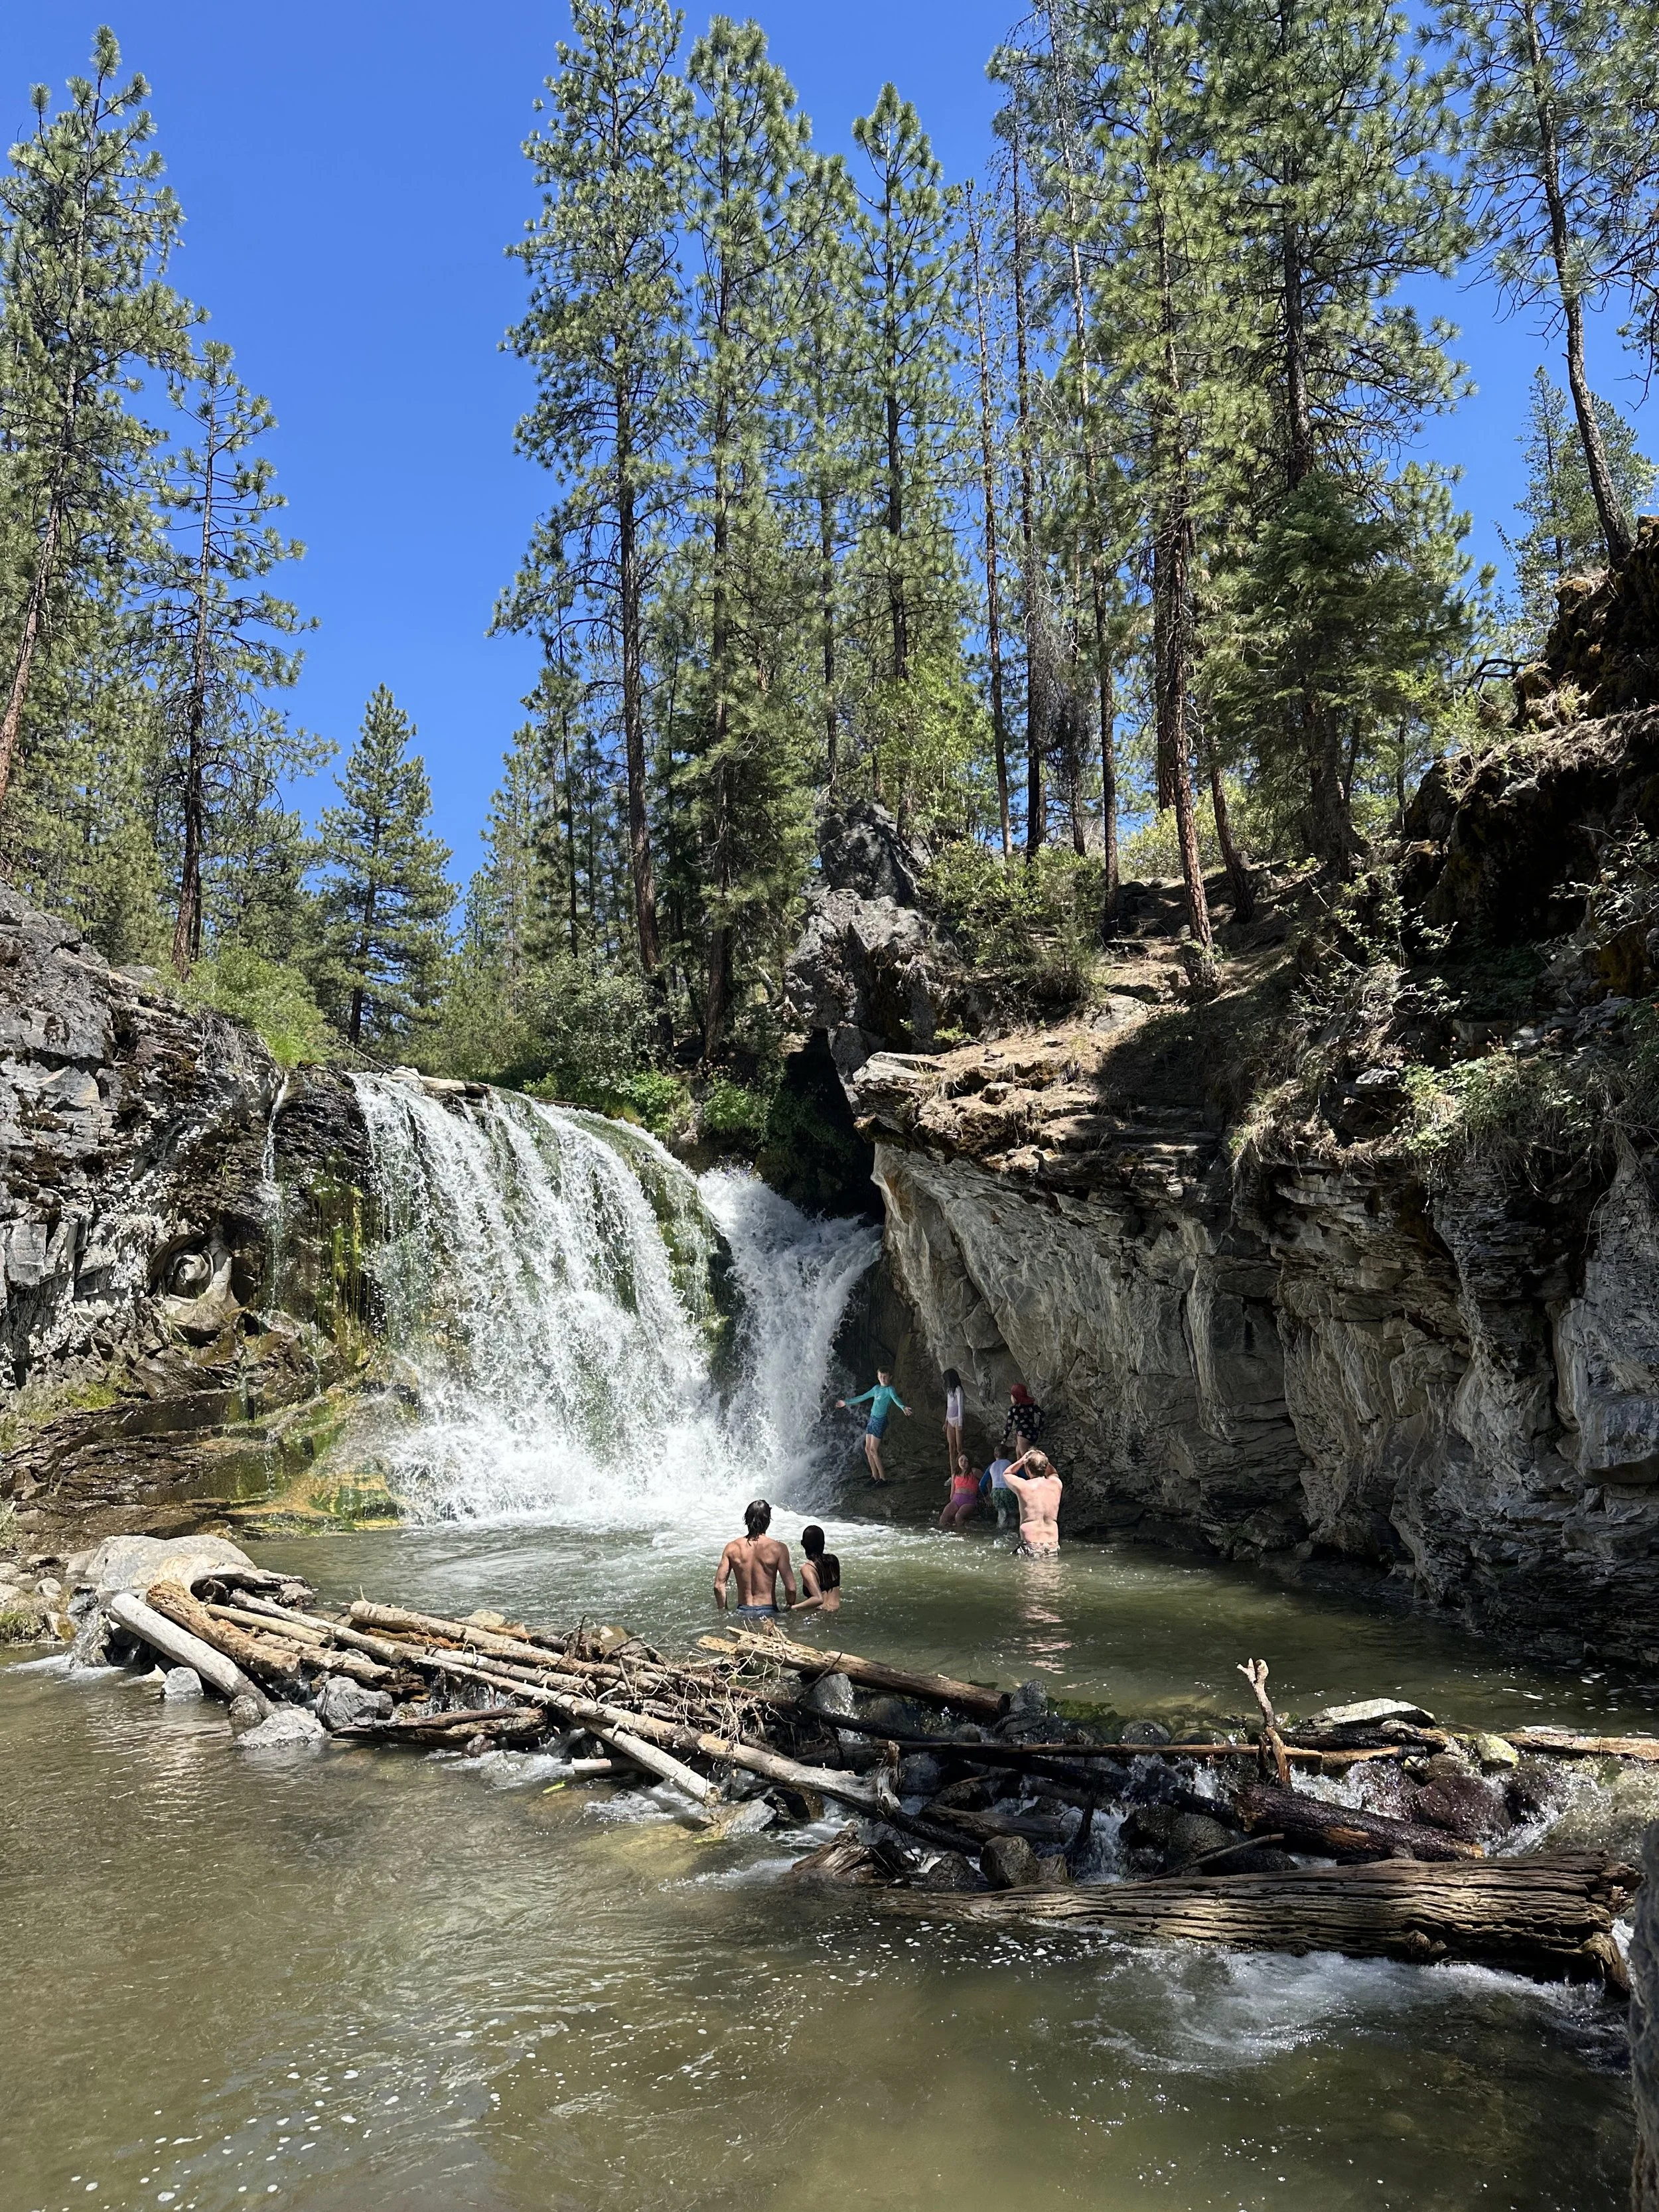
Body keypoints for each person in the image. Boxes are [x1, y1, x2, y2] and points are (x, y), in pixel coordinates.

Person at [713, 1499, 797, 1615]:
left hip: (742, 1610)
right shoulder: (779, 1548)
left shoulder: (732, 1548)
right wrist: (789, 1607)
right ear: (768, 1520)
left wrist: (724, 1611)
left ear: (747, 1520)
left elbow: (719, 1586)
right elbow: (791, 1588)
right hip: (769, 1611)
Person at [837, 1368, 910, 1483]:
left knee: (873, 1450)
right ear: (878, 1376)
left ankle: (883, 1479)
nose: (883, 1379)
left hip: (880, 1421)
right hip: (872, 1419)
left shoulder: (890, 1390)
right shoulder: (876, 1389)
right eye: (881, 1376)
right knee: (867, 1449)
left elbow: (896, 1399)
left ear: (890, 1377)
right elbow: (862, 1397)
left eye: (885, 1376)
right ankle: (874, 1476)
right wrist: (846, 1402)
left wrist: (903, 1407)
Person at [1002, 1447, 1063, 1555]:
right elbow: (1053, 1473)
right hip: (1052, 1544)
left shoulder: (1023, 1486)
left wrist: (1022, 1460)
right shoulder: (1056, 1485)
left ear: (1027, 1469)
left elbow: (1007, 1474)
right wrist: (1044, 1460)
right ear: (1045, 1467)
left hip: (1031, 1544)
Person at [793, 1524, 842, 1613]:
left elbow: (818, 1599)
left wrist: (792, 1608)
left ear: (804, 1545)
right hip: (836, 1613)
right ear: (823, 1543)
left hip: (820, 1614)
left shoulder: (808, 1568)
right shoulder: (834, 1561)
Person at [939, 1449, 982, 1531]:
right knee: (944, 1517)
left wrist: (987, 1495)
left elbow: (986, 1481)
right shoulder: (955, 1475)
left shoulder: (974, 1472)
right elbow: (952, 1493)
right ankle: (944, 1534)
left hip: (969, 1501)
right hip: (956, 1501)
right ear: (958, 1461)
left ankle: (961, 1534)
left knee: (959, 1516)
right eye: (961, 1460)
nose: (963, 1463)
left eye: (966, 1461)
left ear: (970, 1462)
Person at [1001, 1382, 1045, 1456]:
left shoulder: (1013, 1410)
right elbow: (1042, 1415)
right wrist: (1039, 1429)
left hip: (1023, 1434)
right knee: (1018, 1450)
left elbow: (1008, 1426)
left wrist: (1004, 1440)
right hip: (1034, 1432)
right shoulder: (1032, 1406)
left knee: (1025, 1459)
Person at [981, 1451, 1020, 1534]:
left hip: (996, 1493)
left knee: (1001, 1513)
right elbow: (1024, 1476)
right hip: (1008, 1491)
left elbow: (981, 1484)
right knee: (1012, 1515)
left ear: (994, 1455)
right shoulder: (1010, 1464)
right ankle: (1012, 1531)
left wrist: (986, 1497)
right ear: (1007, 1455)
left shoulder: (991, 1466)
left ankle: (1000, 1530)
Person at [942, 1366, 966, 1479]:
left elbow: (961, 1407)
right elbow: (948, 1406)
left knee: (959, 1448)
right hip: (950, 1420)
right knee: (951, 1448)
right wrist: (946, 1421)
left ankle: (963, 1471)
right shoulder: (949, 1391)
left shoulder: (958, 1390)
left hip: (957, 1420)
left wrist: (960, 1423)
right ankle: (953, 1474)